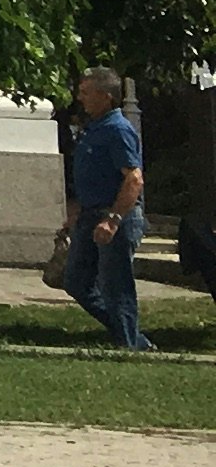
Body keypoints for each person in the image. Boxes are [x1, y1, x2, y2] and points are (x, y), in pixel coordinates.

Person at [59, 65, 154, 355]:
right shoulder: (94, 128)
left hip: (113, 218)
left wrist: (113, 220)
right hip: (90, 215)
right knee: (75, 280)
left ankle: (127, 346)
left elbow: (133, 178)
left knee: (116, 285)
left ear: (106, 96)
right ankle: (133, 338)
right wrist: (74, 215)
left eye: (86, 92)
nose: (80, 97)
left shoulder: (117, 129)